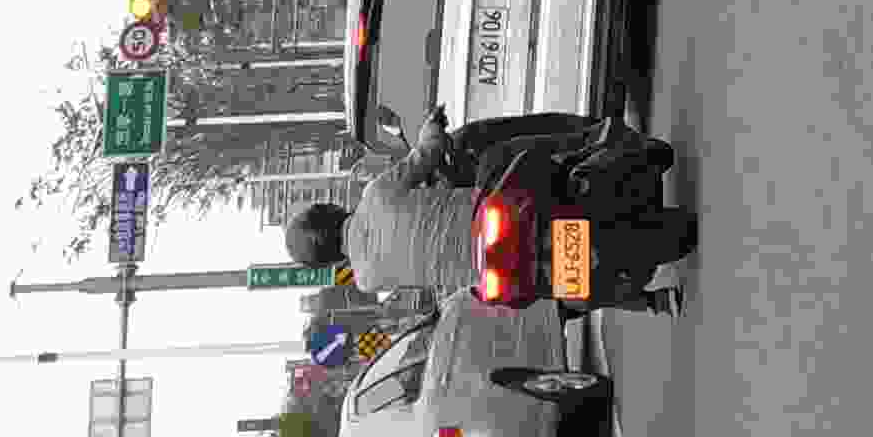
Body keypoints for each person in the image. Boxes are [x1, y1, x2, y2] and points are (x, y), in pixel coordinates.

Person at [287, 108, 690, 312]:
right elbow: (428, 153)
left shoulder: (368, 281)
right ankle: (599, 137)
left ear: (330, 260)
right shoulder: (375, 195)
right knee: (505, 154)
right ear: (330, 210)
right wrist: (431, 126)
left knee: (557, 291)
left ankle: (649, 303)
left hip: (492, 273)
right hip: (490, 212)